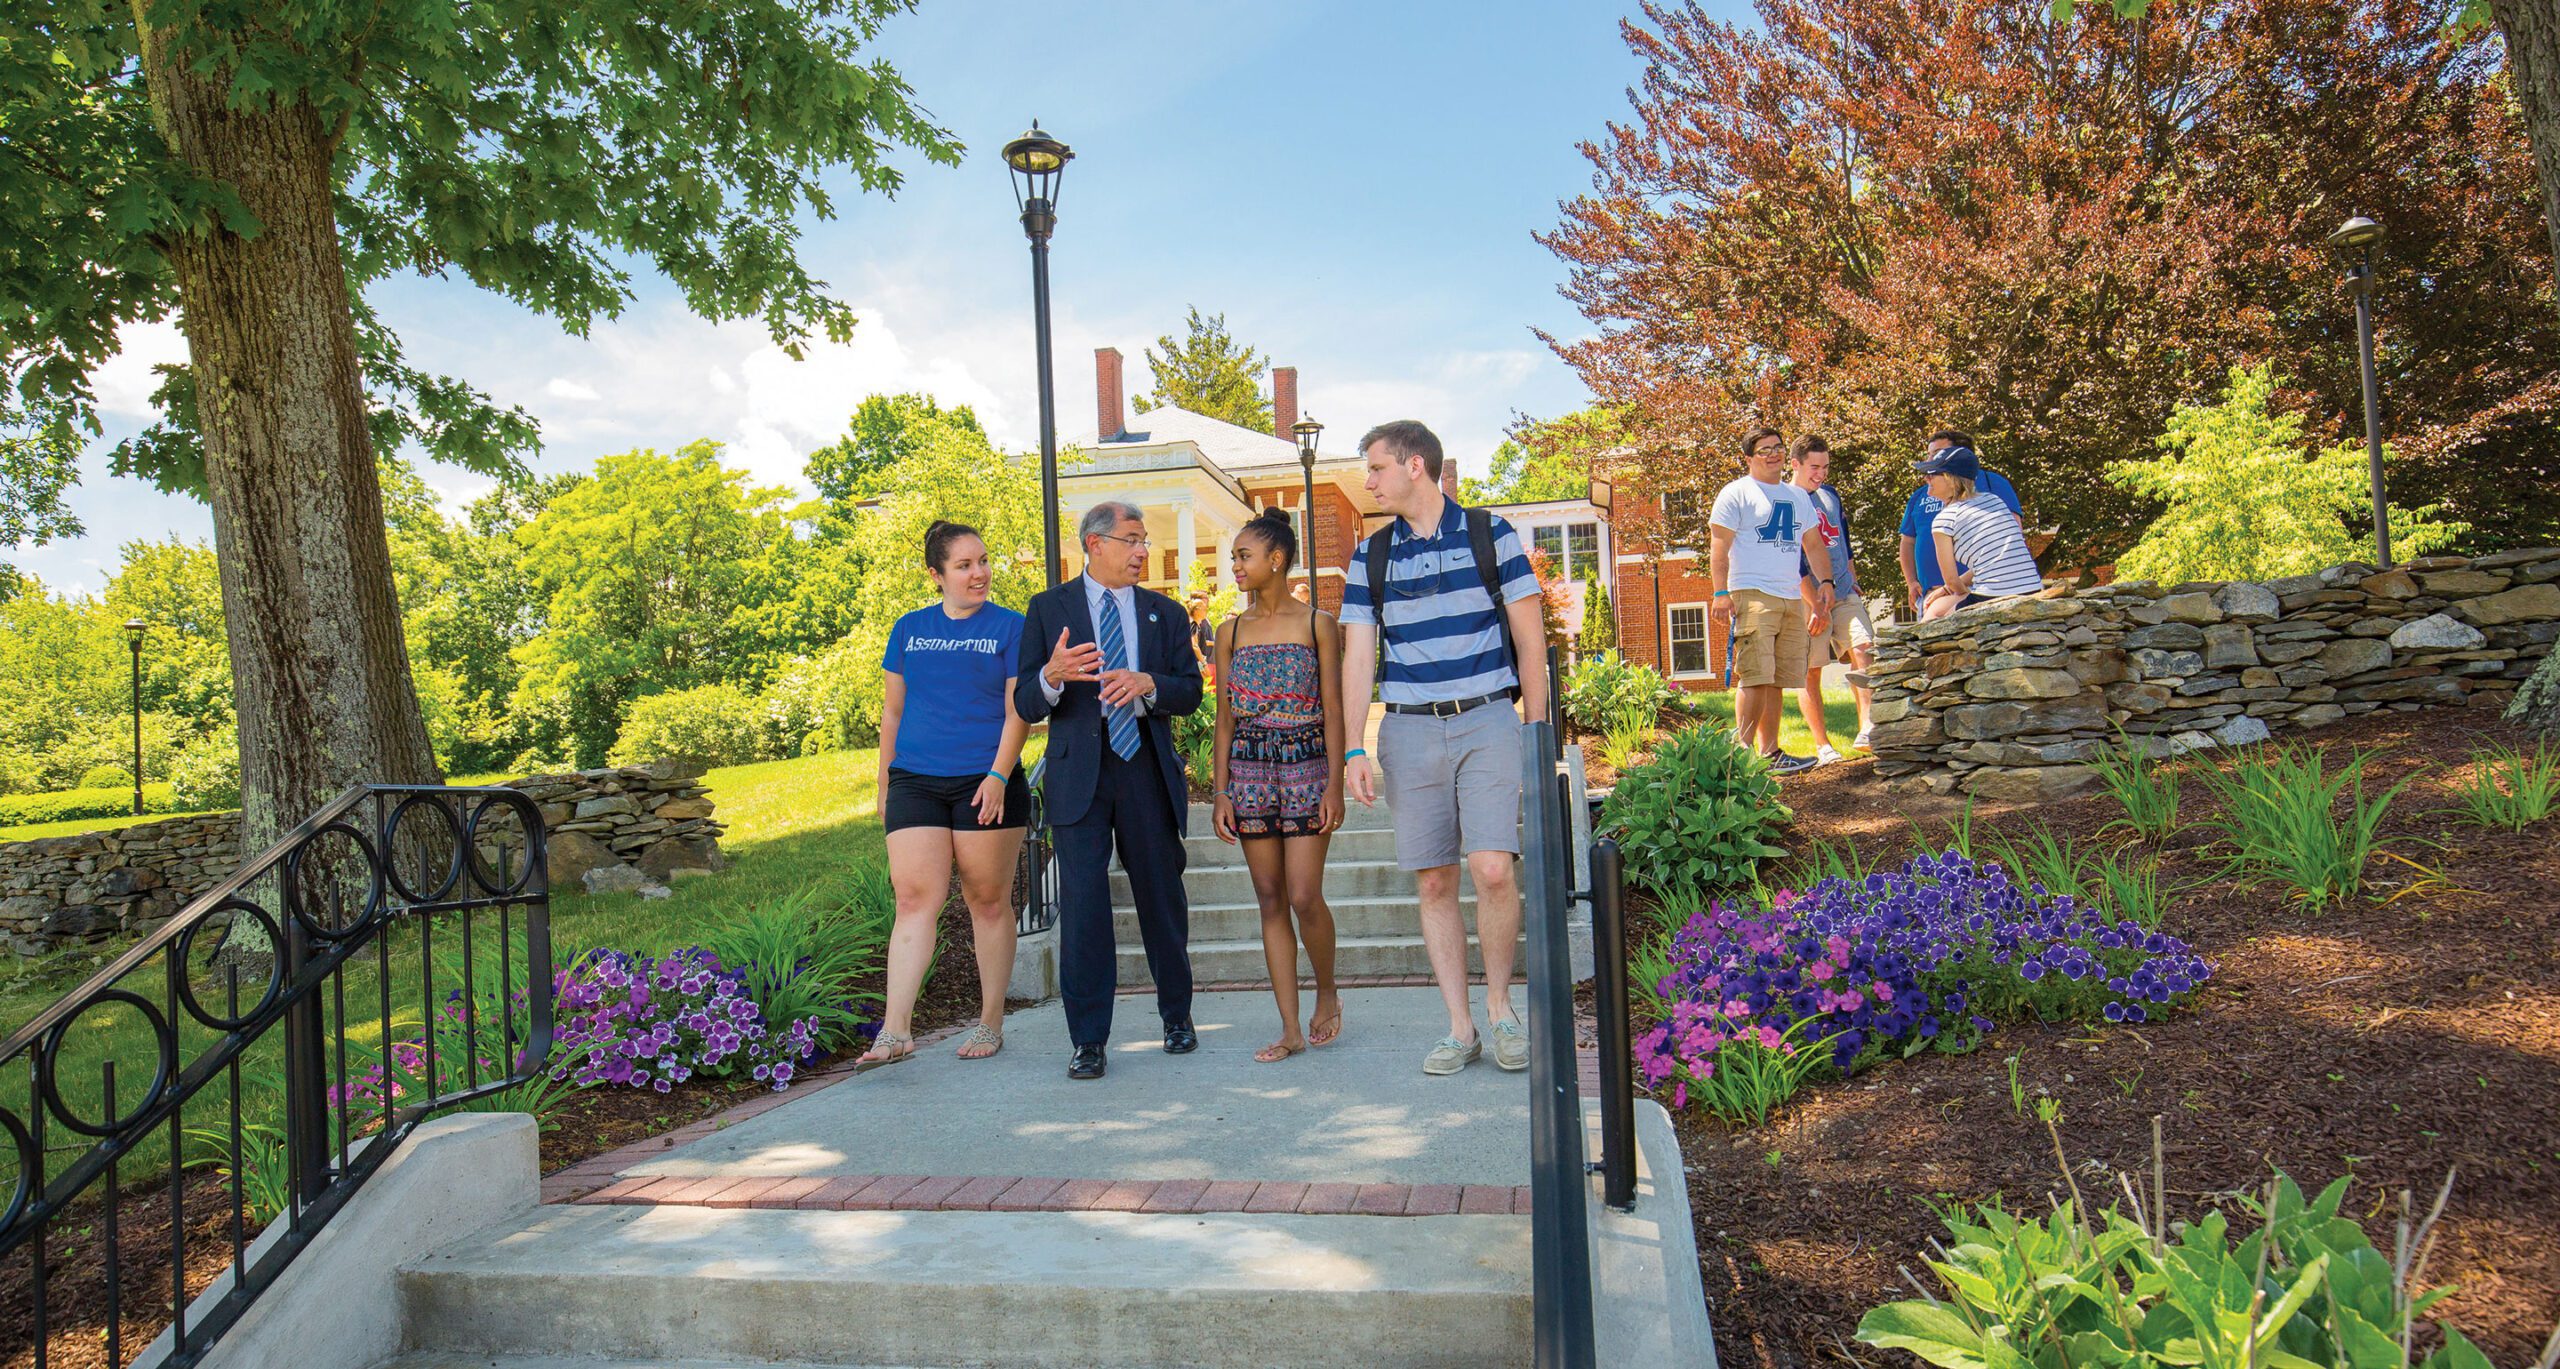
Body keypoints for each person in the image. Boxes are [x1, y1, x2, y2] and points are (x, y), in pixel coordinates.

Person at [1340, 420, 1546, 1077]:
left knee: (1491, 867)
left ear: (1416, 464)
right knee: (1434, 878)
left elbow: (1532, 639)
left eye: (1376, 467)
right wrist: (1352, 746)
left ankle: (1501, 1009)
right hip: (1407, 727)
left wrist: (1537, 729)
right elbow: (1356, 657)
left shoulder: (1491, 535)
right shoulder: (1370, 558)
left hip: (1486, 717)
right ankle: (1460, 1028)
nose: (1368, 480)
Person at [1015, 502, 1205, 1082]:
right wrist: (1051, 676)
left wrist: (1150, 684)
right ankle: (1088, 1041)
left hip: (1144, 771)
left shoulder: (1164, 613)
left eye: (1144, 539)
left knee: (1161, 901)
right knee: (1084, 909)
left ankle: (1177, 1017)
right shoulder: (1050, 610)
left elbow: (1190, 691)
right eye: (1132, 540)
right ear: (1095, 544)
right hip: (1079, 779)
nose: (1143, 550)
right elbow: (1025, 701)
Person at [858, 521, 1032, 1068]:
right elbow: (892, 711)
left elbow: (1017, 711)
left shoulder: (1012, 627)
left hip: (986, 780)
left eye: (982, 561)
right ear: (936, 575)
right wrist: (884, 781)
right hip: (916, 779)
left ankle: (990, 1021)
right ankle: (894, 1031)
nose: (979, 573)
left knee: (985, 900)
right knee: (913, 900)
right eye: (964, 565)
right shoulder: (909, 629)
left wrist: (999, 776)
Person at [1211, 510, 1346, 1063]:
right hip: (1248, 765)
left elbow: (1335, 711)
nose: (1235, 565)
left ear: (1277, 559)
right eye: (1235, 556)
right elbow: (1224, 719)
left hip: (1306, 761)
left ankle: (1328, 988)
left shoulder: (1317, 623)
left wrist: (1334, 784)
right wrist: (1220, 790)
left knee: (1303, 894)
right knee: (1268, 897)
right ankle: (1289, 1028)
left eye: (1244, 555)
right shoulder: (1229, 631)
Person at [1709, 427, 1834, 776]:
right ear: (1749, 458)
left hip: (1790, 596)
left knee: (1777, 677)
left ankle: (1771, 752)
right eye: (1764, 450)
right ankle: (1743, 755)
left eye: (1777, 448)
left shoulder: (1797, 497)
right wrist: (1721, 593)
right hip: (1751, 592)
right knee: (1754, 675)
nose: (1773, 454)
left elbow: (1813, 544)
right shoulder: (1736, 493)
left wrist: (1825, 581)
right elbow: (1719, 547)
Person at [1788, 436, 1875, 759]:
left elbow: (1844, 539)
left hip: (1841, 589)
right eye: (1814, 467)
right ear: (1795, 464)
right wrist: (1814, 604)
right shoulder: (1785, 501)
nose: (1821, 474)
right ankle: (1823, 745)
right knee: (1810, 670)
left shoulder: (1830, 496)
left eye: (1825, 467)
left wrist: (1851, 577)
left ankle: (1867, 727)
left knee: (1863, 647)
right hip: (1806, 596)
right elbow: (1792, 559)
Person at [1898, 430, 2022, 618]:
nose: (1930, 461)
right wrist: (1911, 582)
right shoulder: (1922, 494)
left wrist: (1960, 586)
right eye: (1929, 455)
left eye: (1937, 455)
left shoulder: (1991, 485)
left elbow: (2012, 535)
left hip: (1981, 588)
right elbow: (1907, 542)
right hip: (1933, 593)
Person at [1917, 445, 2044, 618]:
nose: (1926, 479)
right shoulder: (1994, 500)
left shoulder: (1945, 519)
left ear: (1950, 479)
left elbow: (1952, 581)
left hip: (1994, 596)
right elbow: (1989, 563)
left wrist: (1960, 594)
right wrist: (1947, 590)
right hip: (2033, 587)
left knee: (1934, 610)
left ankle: (1919, 644)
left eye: (1931, 474)